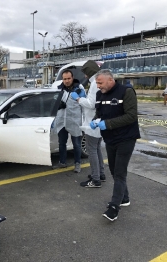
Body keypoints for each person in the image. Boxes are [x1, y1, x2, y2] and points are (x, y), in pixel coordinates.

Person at [90, 69, 141, 222]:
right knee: (113, 169)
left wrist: (108, 124)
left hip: (126, 138)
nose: (98, 86)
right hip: (110, 139)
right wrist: (96, 120)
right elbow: (99, 113)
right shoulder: (100, 95)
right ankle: (124, 198)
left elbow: (131, 116)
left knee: (119, 172)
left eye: (100, 82)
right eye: (97, 83)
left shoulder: (126, 92)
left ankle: (114, 207)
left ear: (110, 80)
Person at [70, 60, 106, 188]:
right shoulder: (98, 82)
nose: (84, 76)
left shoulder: (95, 83)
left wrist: (79, 99)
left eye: (85, 73)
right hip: (98, 121)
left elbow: (91, 105)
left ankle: (96, 179)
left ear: (89, 71)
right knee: (97, 149)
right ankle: (100, 174)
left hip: (92, 122)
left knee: (92, 151)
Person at [53, 69, 85, 173]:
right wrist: (58, 105)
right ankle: (62, 162)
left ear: (72, 78)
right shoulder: (58, 89)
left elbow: (85, 104)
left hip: (75, 120)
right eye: (64, 79)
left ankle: (77, 163)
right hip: (62, 120)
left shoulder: (79, 89)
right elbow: (52, 103)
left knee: (76, 144)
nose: (66, 81)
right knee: (62, 143)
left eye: (68, 78)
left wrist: (85, 121)